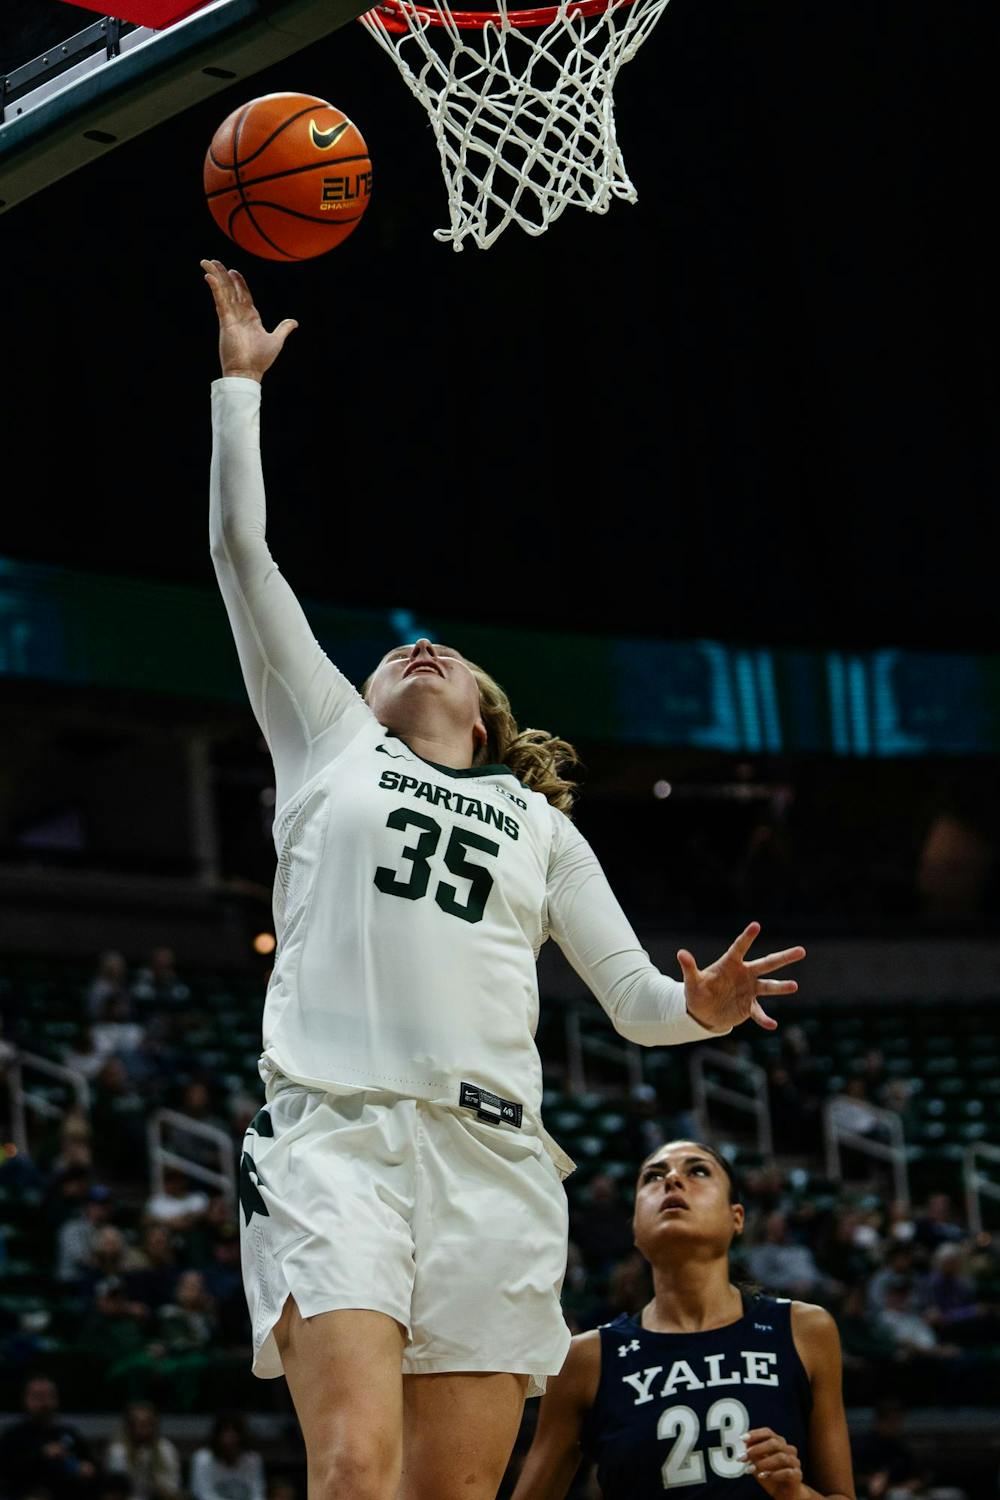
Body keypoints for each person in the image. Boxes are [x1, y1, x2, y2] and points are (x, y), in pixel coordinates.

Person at [200, 259, 807, 1500]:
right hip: (338, 1137)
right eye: (394, 655)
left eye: (452, 659)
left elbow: (636, 1001)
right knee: (357, 1470)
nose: (421, 651)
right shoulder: (329, 742)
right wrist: (239, 393)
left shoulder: (536, 822)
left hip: (492, 1168)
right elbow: (242, 557)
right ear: (359, 699)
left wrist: (701, 1005)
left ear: (484, 719)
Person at [512, 1141, 855, 1500]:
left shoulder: (805, 1329)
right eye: (653, 1176)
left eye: (698, 1171)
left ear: (736, 1217)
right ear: (636, 1230)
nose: (673, 1179)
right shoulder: (585, 1359)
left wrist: (796, 1495)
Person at [0, 1375, 98, 1500]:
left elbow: (91, 1467)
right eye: (38, 1397)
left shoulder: (69, 1433)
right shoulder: (13, 1436)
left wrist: (87, 1470)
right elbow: (8, 1473)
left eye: (50, 1396)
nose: (45, 1403)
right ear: (26, 1399)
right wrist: (41, 1455)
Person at [105, 1403, 183, 1500]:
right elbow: (114, 1493)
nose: (143, 1431)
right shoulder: (118, 1451)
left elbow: (173, 1491)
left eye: (148, 1424)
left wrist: (153, 1477)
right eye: (139, 1424)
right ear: (128, 1427)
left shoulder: (166, 1449)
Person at [189, 1413, 266, 1500]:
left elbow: (257, 1494)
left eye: (235, 1432)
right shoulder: (203, 1459)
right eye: (226, 1431)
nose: (230, 1437)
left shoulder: (253, 1459)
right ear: (217, 1435)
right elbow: (203, 1495)